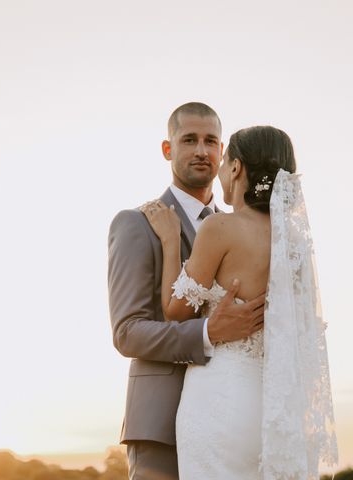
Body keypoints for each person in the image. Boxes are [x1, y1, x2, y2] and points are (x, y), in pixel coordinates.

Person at [141, 125, 338, 479]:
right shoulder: (293, 243)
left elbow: (175, 311)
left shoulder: (220, 228)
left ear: (235, 168)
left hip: (221, 399)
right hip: (275, 408)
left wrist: (171, 241)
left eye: (224, 161)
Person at [107, 102, 266, 480]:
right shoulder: (137, 224)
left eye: (211, 141)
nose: (201, 150)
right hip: (160, 423)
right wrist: (208, 333)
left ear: (223, 153)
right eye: (189, 139)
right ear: (168, 149)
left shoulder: (245, 231)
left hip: (232, 418)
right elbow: (127, 332)